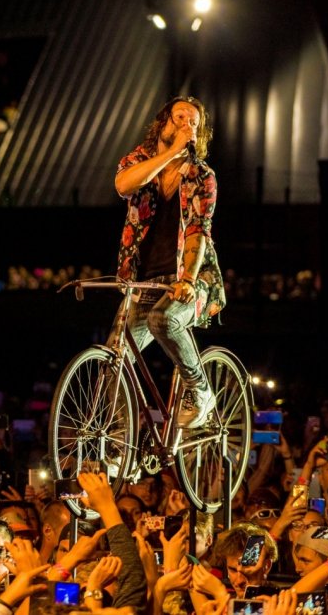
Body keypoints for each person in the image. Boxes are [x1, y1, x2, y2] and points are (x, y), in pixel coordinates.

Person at [113, 96, 225, 428]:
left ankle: (200, 390)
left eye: (193, 122)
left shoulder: (202, 176)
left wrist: (188, 280)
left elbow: (197, 231)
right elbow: (123, 185)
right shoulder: (140, 159)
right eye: (179, 118)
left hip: (190, 279)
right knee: (114, 361)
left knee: (164, 320)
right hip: (143, 280)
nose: (186, 125)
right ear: (163, 123)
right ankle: (121, 442)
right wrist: (171, 154)